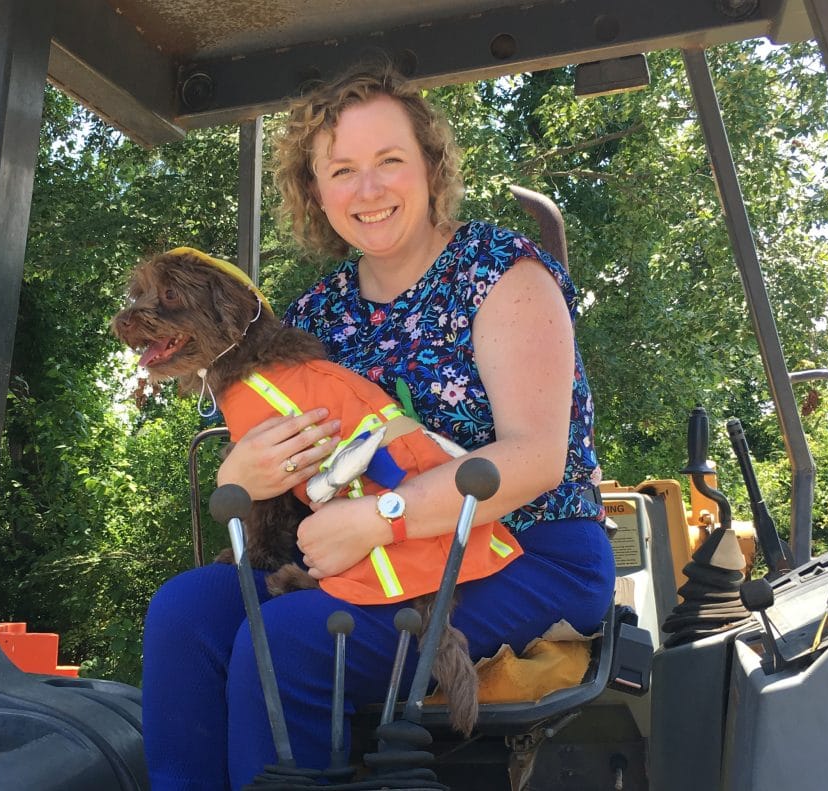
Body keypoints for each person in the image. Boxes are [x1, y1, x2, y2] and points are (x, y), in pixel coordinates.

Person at [140, 64, 616, 790]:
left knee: (294, 642)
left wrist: (384, 516)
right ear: (315, 191)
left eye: (389, 161)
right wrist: (242, 476)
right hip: (366, 554)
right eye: (342, 170)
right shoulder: (316, 316)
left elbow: (533, 459)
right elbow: (282, 460)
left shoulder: (503, 275)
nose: (368, 190)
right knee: (185, 614)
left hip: (525, 549)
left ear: (430, 166)